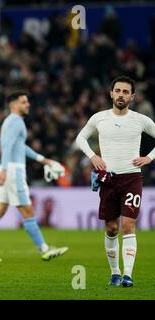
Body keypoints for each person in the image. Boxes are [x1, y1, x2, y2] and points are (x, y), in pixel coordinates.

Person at [76, 75, 155, 288]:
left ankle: (128, 275)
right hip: (108, 179)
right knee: (111, 228)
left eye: (125, 92)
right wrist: (93, 156)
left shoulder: (140, 120)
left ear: (132, 96)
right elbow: (80, 138)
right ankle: (115, 273)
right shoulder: (99, 118)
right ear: (111, 93)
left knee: (128, 225)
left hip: (132, 178)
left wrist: (149, 157)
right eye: (118, 91)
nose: (121, 95)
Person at [0, 91, 68, 262]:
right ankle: (44, 249)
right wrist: (4, 169)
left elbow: (19, 146)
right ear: (13, 105)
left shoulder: (11, 122)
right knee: (27, 210)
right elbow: (8, 147)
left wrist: (42, 159)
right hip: (13, 171)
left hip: (7, 169)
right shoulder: (16, 122)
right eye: (24, 102)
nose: (28, 105)